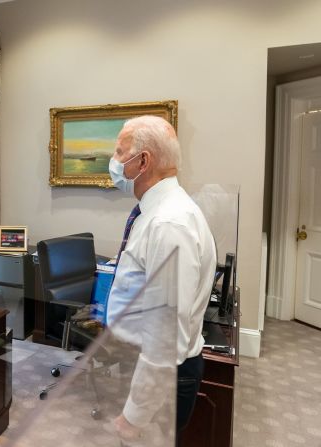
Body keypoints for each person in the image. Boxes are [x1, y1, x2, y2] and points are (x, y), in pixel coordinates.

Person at [105, 115, 216, 444]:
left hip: (162, 379)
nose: (113, 162)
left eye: (119, 152)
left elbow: (165, 337)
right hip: (146, 370)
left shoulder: (170, 223)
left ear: (143, 161)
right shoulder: (156, 211)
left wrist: (134, 415)